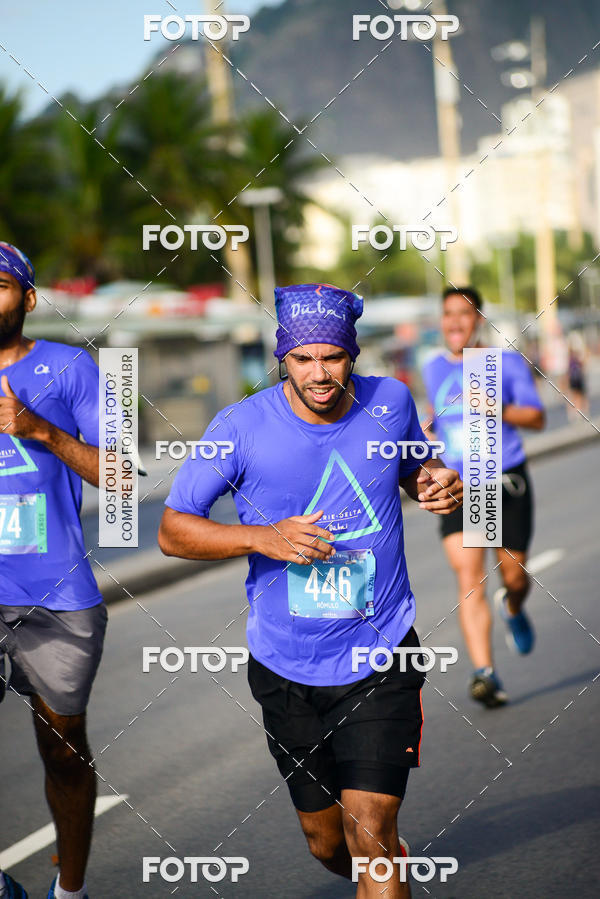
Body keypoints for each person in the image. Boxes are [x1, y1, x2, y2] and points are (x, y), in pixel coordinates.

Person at [159, 283, 462, 898]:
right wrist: (262, 537)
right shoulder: (239, 427)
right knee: (328, 844)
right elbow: (172, 531)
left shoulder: (389, 401)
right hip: (285, 666)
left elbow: (414, 468)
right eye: (303, 358)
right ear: (283, 358)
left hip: (380, 654)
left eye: (333, 357)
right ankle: (381, 862)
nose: (319, 374)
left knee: (371, 830)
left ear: (353, 354)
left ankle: (383, 858)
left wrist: (435, 484)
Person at [0, 243, 105, 899]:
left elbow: (122, 479)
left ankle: (70, 890)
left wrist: (40, 429)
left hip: (55, 591)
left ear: (28, 298)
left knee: (63, 749)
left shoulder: (74, 367)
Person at [422, 286, 545, 708]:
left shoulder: (503, 363)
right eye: (448, 313)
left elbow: (537, 417)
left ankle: (513, 606)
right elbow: (436, 419)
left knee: (514, 577)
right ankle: (484, 674)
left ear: (478, 320)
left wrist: (495, 407)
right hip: (461, 484)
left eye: (464, 313)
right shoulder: (432, 368)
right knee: (469, 576)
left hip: (503, 479)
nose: (455, 321)